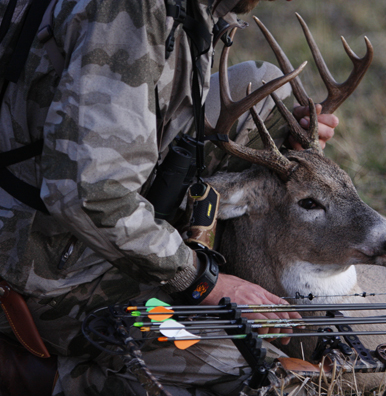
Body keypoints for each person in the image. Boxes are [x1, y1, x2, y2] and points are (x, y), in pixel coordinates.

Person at [0, 0, 338, 394]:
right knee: (259, 370)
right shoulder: (128, 13)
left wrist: (283, 142)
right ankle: (53, 379)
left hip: (64, 222)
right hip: (41, 269)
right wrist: (201, 281)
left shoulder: (187, 8)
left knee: (263, 86)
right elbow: (91, 194)